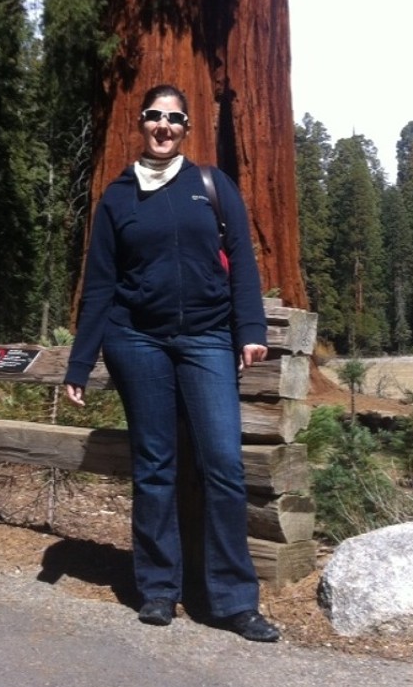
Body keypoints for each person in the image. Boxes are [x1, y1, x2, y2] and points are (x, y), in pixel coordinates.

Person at [64, 85, 280, 642]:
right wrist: (80, 362)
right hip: (137, 341)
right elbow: (100, 285)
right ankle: (159, 589)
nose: (164, 127)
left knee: (223, 467)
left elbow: (244, 267)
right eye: (155, 117)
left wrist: (250, 330)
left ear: (186, 128)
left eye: (175, 119)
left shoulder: (211, 186)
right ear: (141, 123)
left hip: (207, 339)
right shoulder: (117, 197)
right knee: (155, 467)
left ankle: (232, 600)